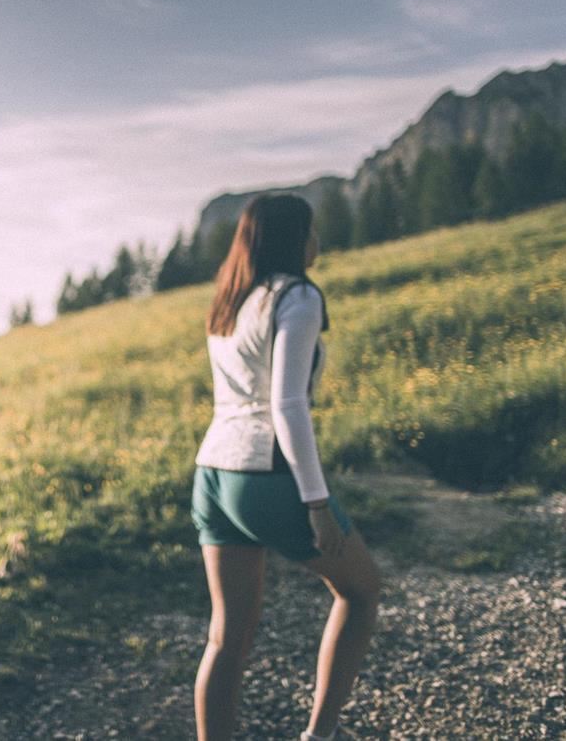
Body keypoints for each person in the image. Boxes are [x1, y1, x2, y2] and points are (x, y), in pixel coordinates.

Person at [190, 195, 381, 741]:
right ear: (296, 238)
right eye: (312, 229)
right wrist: (316, 503)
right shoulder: (297, 296)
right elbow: (288, 404)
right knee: (362, 592)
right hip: (267, 474)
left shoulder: (230, 300)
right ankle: (320, 736)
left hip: (212, 475)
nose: (318, 238)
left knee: (226, 637)